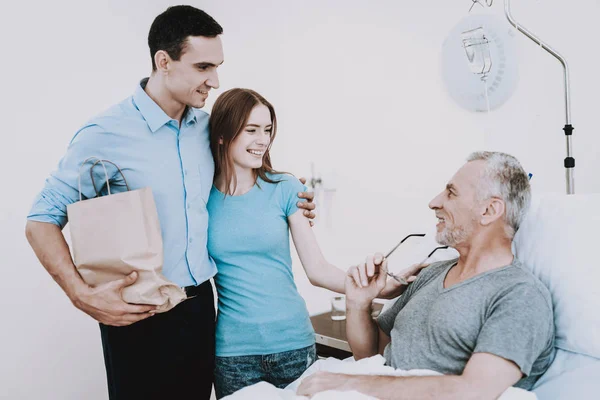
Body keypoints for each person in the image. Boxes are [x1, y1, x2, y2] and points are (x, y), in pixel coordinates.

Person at [24, 6, 316, 400]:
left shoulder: (208, 129)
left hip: (199, 307)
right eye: (203, 67)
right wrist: (81, 294)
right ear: (164, 61)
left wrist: (292, 195)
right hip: (138, 309)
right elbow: (40, 220)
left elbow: (244, 173)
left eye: (217, 66)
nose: (214, 80)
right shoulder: (106, 132)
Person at [206, 88, 422, 398]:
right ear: (223, 134)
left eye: (267, 130)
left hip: (293, 345)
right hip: (233, 355)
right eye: (251, 130)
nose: (262, 140)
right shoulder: (202, 200)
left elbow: (317, 269)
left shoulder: (285, 188)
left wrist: (380, 287)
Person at [298, 151, 556, 399]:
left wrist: (347, 383)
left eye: (451, 192)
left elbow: (474, 392)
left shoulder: (519, 296)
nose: (434, 202)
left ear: (489, 211)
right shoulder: (430, 274)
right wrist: (358, 303)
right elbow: (370, 357)